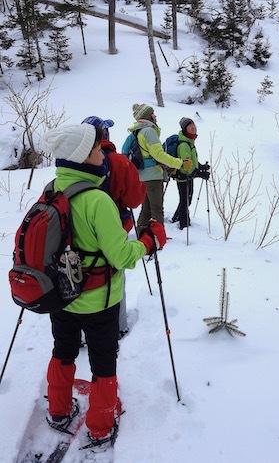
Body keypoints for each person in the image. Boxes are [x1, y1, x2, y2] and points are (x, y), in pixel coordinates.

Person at [42, 123, 166, 452]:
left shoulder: (53, 188)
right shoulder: (97, 200)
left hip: (61, 297)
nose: (103, 155)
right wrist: (150, 240)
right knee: (103, 362)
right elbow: (122, 256)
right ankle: (99, 427)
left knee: (63, 350)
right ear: (83, 158)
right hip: (99, 301)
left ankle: (57, 411)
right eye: (97, 150)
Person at [82, 116, 146, 339]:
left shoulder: (73, 160)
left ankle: (81, 332)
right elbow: (135, 199)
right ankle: (118, 327)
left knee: (78, 273)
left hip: (79, 228)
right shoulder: (118, 161)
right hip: (115, 225)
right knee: (113, 274)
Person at [123, 103, 190, 231]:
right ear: (148, 116)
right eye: (153, 113)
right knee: (157, 209)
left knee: (147, 209)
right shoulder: (148, 131)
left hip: (142, 176)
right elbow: (159, 155)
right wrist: (180, 163)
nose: (155, 116)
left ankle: (141, 233)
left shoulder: (138, 131)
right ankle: (159, 236)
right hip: (153, 176)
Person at [170, 117, 210, 230]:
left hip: (187, 177)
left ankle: (176, 218)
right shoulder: (184, 145)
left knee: (186, 200)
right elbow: (187, 166)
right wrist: (200, 174)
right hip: (184, 178)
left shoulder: (189, 142)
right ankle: (184, 223)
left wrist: (201, 167)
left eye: (194, 125)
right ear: (184, 129)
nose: (193, 127)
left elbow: (192, 161)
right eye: (190, 125)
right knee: (185, 200)